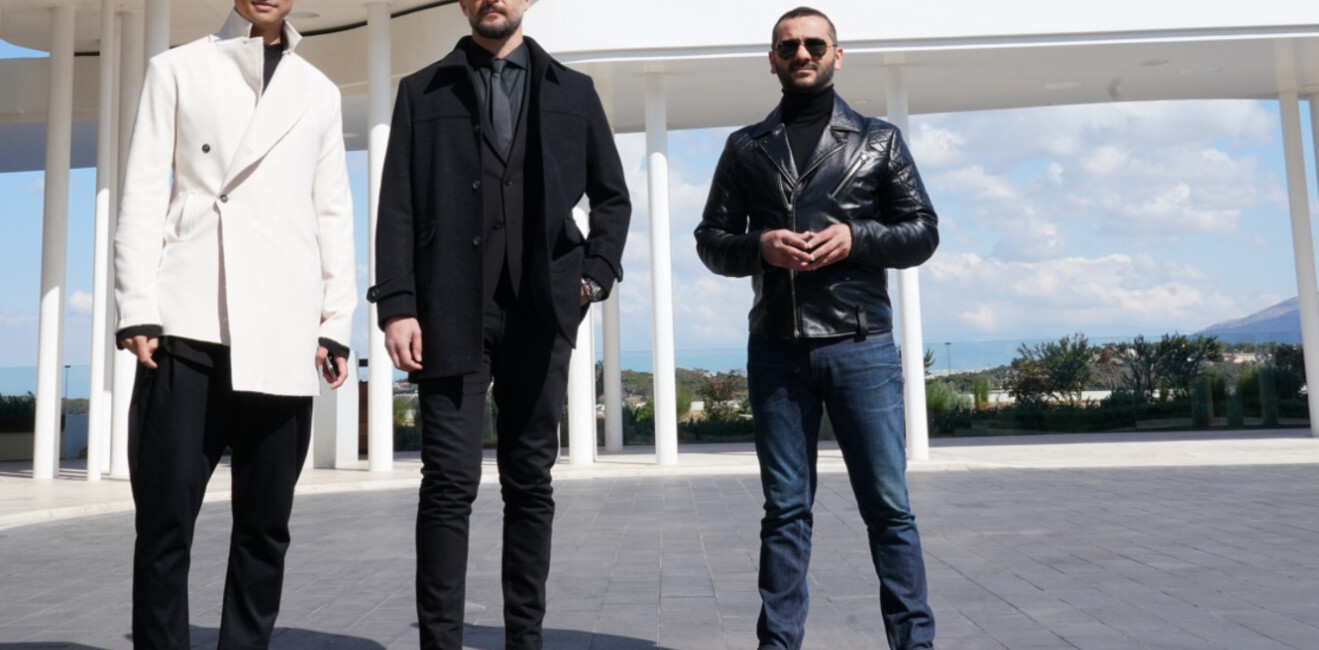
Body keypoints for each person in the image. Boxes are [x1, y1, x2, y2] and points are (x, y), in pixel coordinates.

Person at [366, 0, 631, 647]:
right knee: (447, 483)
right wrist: (397, 304)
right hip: (448, 308)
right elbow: (396, 204)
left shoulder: (574, 91)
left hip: (542, 308)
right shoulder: (421, 91)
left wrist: (593, 276)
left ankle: (524, 640)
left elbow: (612, 197)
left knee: (530, 480)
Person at [693, 6, 941, 649]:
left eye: (813, 44)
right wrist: (760, 247)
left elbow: (923, 232)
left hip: (862, 346)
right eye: (788, 46)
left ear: (837, 54)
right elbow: (711, 240)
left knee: (889, 509)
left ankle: (914, 643)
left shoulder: (879, 140)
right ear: (772, 60)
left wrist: (857, 237)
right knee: (784, 512)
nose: (801, 54)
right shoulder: (745, 146)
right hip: (776, 349)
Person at [111, 0, 354, 647]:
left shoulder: (319, 91)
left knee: (265, 526)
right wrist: (137, 305)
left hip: (283, 326)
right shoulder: (176, 69)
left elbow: (332, 209)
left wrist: (335, 319)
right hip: (186, 320)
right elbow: (142, 191)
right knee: (164, 520)